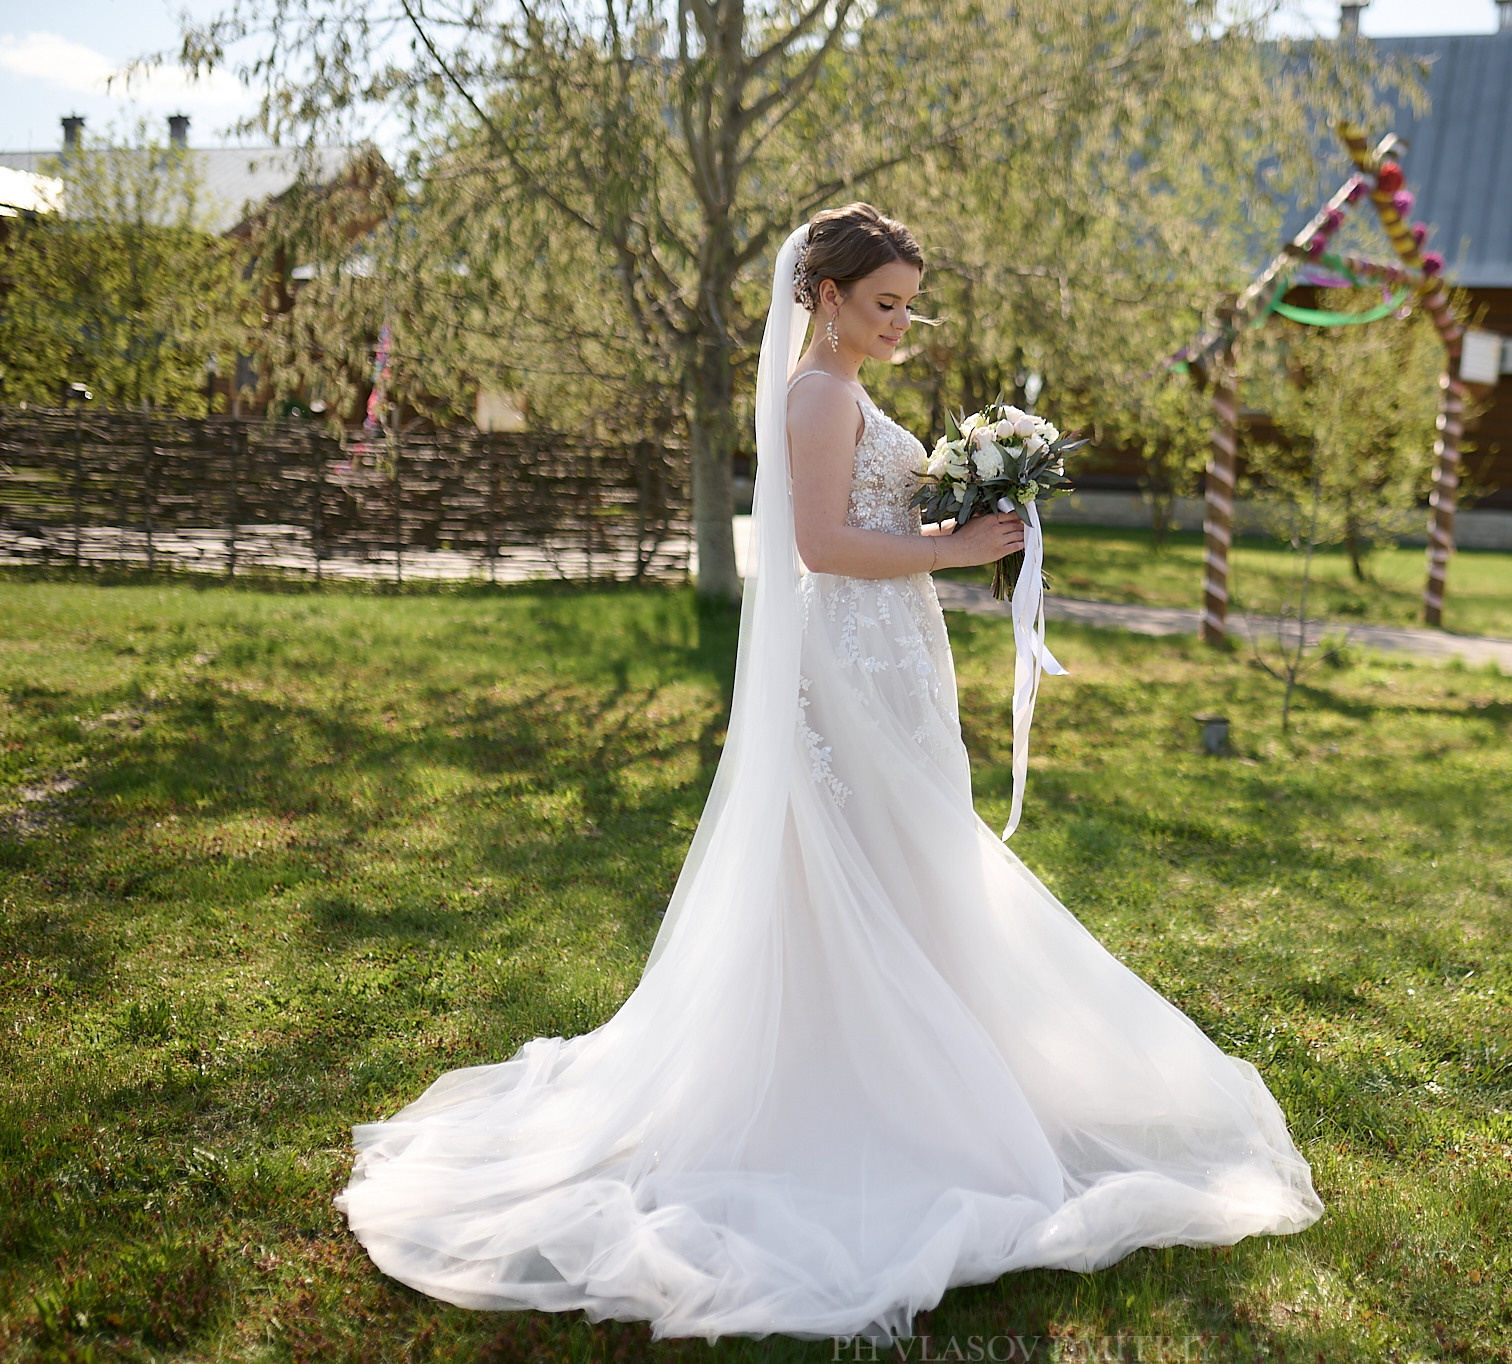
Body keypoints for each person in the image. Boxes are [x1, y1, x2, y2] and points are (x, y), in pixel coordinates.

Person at [335, 203, 1323, 1345]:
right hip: (846, 664)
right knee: (868, 856)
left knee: (909, 858)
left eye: (909, 303)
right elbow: (815, 544)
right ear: (824, 297)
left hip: (887, 651)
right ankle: (861, 1090)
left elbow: (871, 508)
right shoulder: (816, 393)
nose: (902, 322)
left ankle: (941, 1072)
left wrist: (965, 496)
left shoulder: (847, 389)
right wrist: (953, 548)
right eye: (883, 303)